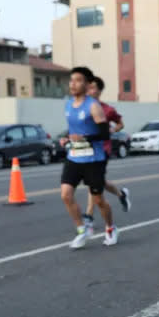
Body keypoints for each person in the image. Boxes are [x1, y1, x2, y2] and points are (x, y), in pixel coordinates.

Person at [60, 67, 116, 249]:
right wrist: (66, 138)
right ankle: (81, 231)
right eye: (71, 80)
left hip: (94, 159)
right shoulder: (69, 104)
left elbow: (104, 133)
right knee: (66, 195)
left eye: (78, 80)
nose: (73, 84)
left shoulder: (93, 105)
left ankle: (110, 228)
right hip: (75, 156)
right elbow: (73, 130)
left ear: (86, 84)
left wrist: (85, 138)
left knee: (98, 200)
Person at [83, 76, 131, 235]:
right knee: (99, 182)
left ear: (99, 91)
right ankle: (121, 194)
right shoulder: (82, 109)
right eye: (88, 88)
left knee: (93, 181)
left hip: (103, 149)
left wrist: (112, 130)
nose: (90, 91)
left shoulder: (107, 109)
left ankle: (88, 216)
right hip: (86, 150)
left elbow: (120, 124)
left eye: (93, 88)